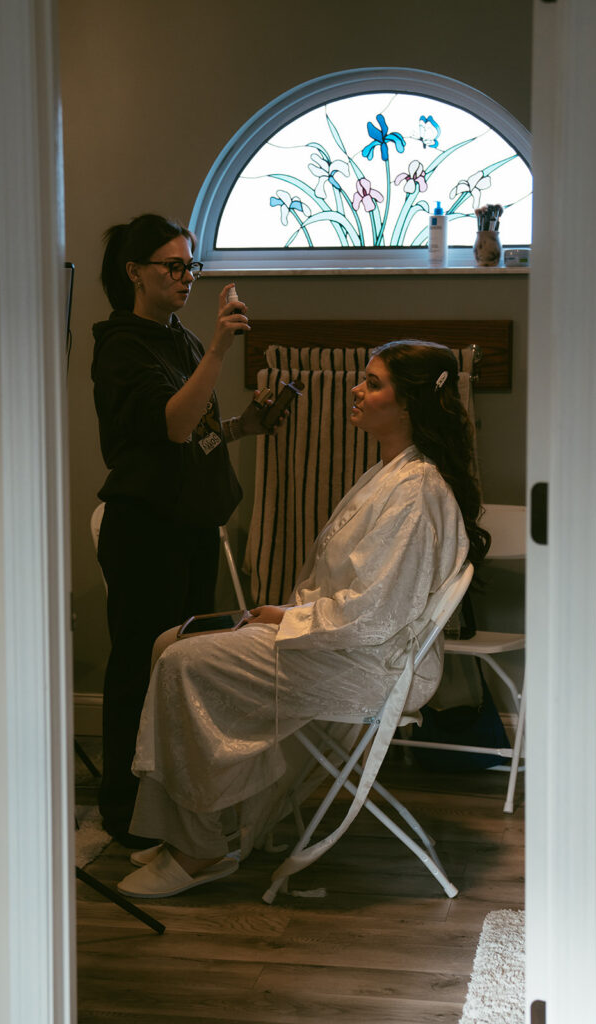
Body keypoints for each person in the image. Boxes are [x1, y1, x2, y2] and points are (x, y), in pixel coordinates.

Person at [117, 339, 490, 895]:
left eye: (373, 382)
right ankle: (207, 823)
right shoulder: (391, 473)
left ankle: (200, 851)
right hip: (341, 637)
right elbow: (364, 596)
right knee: (169, 641)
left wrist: (285, 618)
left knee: (182, 663)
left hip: (367, 660)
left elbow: (377, 612)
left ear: (408, 404)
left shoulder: (416, 492)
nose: (356, 389)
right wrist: (286, 614)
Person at [92, 213, 269, 846]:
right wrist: (222, 348)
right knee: (142, 666)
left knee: (187, 665)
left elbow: (194, 437)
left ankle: (175, 804)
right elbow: (168, 427)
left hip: (189, 521)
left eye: (190, 265)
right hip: (144, 529)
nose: (186, 277)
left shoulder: (182, 341)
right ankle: (123, 810)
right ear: (134, 272)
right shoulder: (121, 346)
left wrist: (245, 427)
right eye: (173, 265)